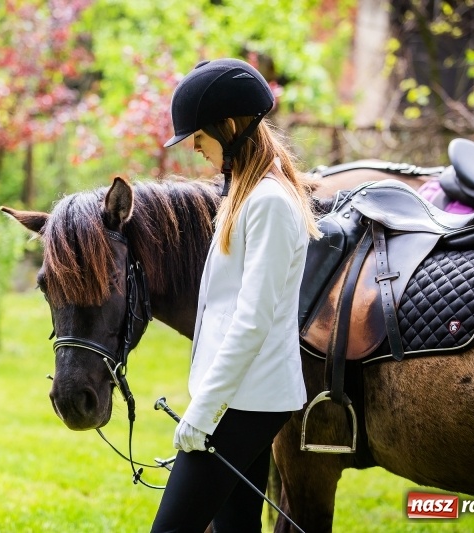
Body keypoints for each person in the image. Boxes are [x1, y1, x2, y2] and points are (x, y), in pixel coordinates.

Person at [150, 58, 322, 533]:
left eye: (200, 140)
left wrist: (203, 412)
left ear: (228, 127)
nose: (198, 152)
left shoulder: (267, 203)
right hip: (241, 398)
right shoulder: (244, 197)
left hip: (247, 403)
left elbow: (252, 320)